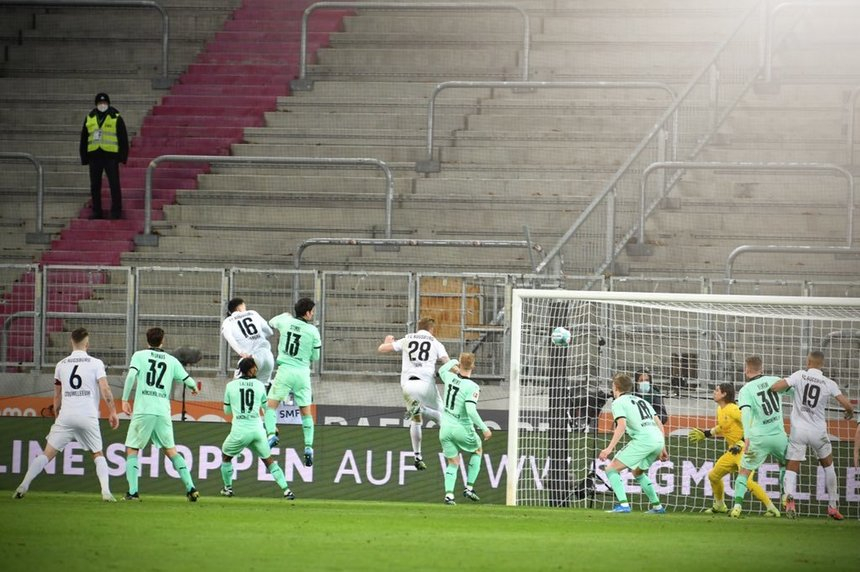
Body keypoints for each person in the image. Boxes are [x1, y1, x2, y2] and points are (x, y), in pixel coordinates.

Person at [13, 328, 119, 501]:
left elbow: (57, 395)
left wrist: (57, 415)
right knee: (98, 454)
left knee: (46, 454)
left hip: (66, 415)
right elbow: (105, 389)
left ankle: (23, 485)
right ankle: (106, 492)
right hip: (87, 416)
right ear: (87, 343)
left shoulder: (61, 365)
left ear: (72, 342)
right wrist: (113, 411)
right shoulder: (96, 363)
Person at [769, 351, 854, 520]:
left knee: (792, 466)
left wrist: (782, 386)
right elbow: (846, 404)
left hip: (799, 431)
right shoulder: (829, 383)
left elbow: (776, 387)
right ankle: (832, 506)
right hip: (818, 432)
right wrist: (849, 412)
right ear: (821, 364)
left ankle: (789, 498)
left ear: (808, 362)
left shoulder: (799, 375)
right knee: (828, 466)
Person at [121, 327, 200, 501]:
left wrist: (125, 399)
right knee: (171, 450)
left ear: (147, 340)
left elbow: (131, 376)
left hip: (144, 409)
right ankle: (191, 488)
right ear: (162, 340)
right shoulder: (171, 360)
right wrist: (194, 388)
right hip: (163, 411)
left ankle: (133, 492)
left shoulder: (139, 356)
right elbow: (188, 380)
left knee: (132, 449)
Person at [688, 382, 780, 516]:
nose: (714, 392)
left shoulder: (733, 409)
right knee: (713, 476)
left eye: (717, 390)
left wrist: (741, 443)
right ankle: (719, 505)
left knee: (746, 481)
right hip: (732, 451)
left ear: (724, 394)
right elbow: (722, 426)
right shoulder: (720, 409)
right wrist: (707, 433)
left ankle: (771, 508)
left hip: (746, 450)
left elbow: (752, 424)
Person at [378, 317, 449, 470]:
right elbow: (446, 361)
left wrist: (387, 340)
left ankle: (417, 456)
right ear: (432, 329)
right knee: (444, 416)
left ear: (418, 328)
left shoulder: (407, 339)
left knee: (416, 421)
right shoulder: (435, 342)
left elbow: (382, 349)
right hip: (426, 384)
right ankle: (448, 450)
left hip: (408, 386)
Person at [220, 357, 295, 500]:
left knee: (226, 456)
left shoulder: (230, 386)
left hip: (240, 430)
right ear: (249, 369)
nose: (257, 369)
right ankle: (287, 490)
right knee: (269, 461)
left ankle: (228, 488)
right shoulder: (260, 385)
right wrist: (272, 428)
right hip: (257, 429)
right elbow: (267, 410)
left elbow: (227, 411)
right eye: (254, 366)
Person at [599, 373, 669, 514]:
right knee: (638, 472)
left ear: (616, 387)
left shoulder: (618, 402)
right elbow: (660, 424)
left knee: (611, 469)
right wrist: (663, 447)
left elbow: (621, 426)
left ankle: (624, 505)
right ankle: (657, 507)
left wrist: (609, 448)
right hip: (657, 439)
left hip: (644, 440)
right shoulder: (641, 400)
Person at [729, 356, 788, 519]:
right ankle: (785, 495)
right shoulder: (775, 380)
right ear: (761, 368)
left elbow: (746, 413)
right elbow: (795, 391)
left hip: (758, 438)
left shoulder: (746, 390)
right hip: (779, 436)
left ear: (747, 370)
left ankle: (737, 507)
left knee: (744, 472)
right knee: (786, 464)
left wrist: (746, 436)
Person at [265, 298, 321, 467]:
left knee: (270, 407)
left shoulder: (285, 321)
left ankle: (271, 434)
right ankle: (308, 447)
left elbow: (271, 322)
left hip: (285, 371)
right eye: (312, 311)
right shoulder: (313, 331)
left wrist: (284, 316)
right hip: (303, 373)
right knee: (306, 413)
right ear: (308, 312)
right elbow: (316, 357)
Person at [437, 352, 491, 505]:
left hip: (445, 427)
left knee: (453, 462)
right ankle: (469, 488)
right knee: (477, 450)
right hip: (461, 427)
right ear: (473, 366)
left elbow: (442, 370)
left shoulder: (449, 376)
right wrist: (484, 428)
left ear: (459, 364)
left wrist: (453, 361)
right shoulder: (472, 386)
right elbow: (471, 411)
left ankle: (449, 495)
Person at [79, 92, 129, 220]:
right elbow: (84, 138)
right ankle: (97, 211)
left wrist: (122, 156)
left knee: (114, 184)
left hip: (110, 156)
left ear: (108, 103)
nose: (102, 105)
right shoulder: (90, 117)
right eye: (100, 103)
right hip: (94, 156)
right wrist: (84, 157)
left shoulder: (115, 117)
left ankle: (116, 211)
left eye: (105, 103)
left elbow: (123, 137)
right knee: (95, 186)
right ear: (96, 104)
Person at [221, 297, 275, 386]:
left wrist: (240, 352)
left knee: (237, 386)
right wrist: (258, 336)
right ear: (239, 307)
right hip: (268, 356)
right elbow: (270, 331)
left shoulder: (228, 321)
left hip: (251, 359)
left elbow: (228, 337)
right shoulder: (253, 313)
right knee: (261, 388)